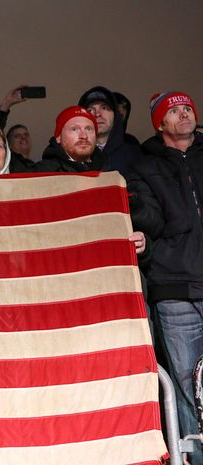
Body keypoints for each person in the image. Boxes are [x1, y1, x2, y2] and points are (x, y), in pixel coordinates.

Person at [126, 91, 203, 462]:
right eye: (174, 111)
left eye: (187, 108)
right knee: (189, 385)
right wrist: (136, 206)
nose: (184, 114)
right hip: (175, 291)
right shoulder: (144, 166)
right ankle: (195, 456)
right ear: (160, 124)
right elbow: (152, 223)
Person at [77, 86, 141, 174]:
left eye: (104, 108)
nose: (98, 114)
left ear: (115, 116)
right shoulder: (71, 154)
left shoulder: (136, 155)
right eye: (91, 110)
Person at [33, 106, 108, 172]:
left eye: (88, 129)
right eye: (74, 129)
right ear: (58, 138)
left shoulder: (109, 171)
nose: (84, 136)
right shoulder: (42, 173)